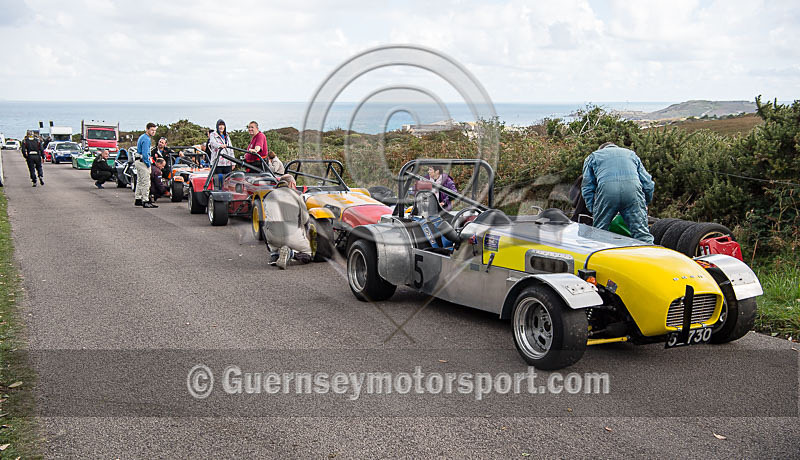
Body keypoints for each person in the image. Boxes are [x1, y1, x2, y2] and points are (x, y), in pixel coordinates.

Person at [581, 142, 655, 243]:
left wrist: (593, 209)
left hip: (607, 193)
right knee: (642, 234)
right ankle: (650, 255)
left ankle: (601, 256)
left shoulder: (593, 157)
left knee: (599, 233)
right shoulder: (631, 154)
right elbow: (648, 183)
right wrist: (645, 203)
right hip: (632, 193)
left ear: (601, 149)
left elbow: (587, 187)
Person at [262, 176, 313, 269]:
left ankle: (274, 254)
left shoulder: (268, 196)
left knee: (265, 226)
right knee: (309, 255)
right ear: (292, 184)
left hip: (273, 237)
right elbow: (305, 219)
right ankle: (292, 253)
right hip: (292, 237)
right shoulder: (298, 195)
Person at [135, 123, 158, 208]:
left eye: (155, 130)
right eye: (152, 130)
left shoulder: (142, 137)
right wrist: (148, 164)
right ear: (147, 129)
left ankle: (138, 198)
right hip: (142, 162)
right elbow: (145, 154)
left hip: (138, 161)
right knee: (146, 182)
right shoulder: (146, 139)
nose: (153, 132)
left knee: (140, 181)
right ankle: (145, 200)